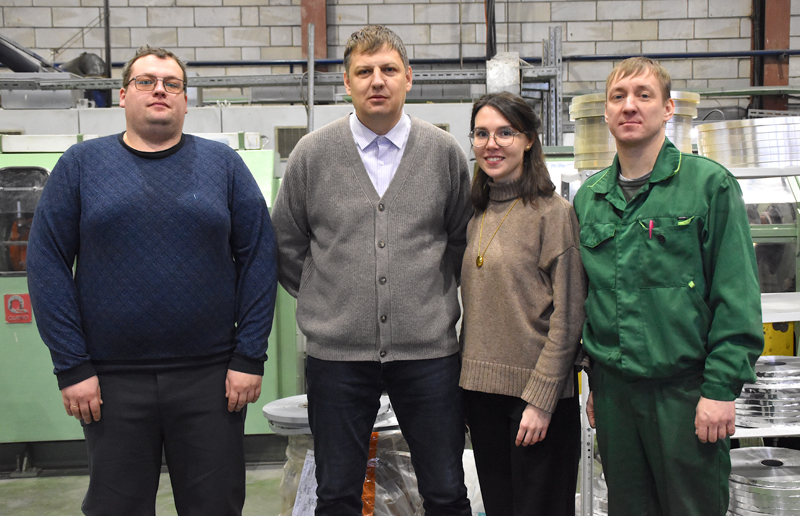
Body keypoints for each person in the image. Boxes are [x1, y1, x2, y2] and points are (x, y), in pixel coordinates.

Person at [26, 46, 277, 516]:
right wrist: (72, 366)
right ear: (123, 95)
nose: (160, 90)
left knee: (215, 506)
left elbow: (259, 258)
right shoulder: (81, 165)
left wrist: (249, 355)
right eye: (146, 81)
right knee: (114, 508)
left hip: (212, 379)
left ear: (185, 100)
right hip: (110, 383)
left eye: (171, 83)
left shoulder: (223, 165)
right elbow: (47, 263)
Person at [271, 25, 473, 516]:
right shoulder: (312, 155)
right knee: (336, 495)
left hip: (428, 355)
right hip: (337, 358)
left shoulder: (444, 153)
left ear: (409, 78)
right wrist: (330, 298)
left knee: (446, 492)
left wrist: (425, 300)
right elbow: (286, 243)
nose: (376, 81)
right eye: (364, 71)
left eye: (388, 69)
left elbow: (461, 242)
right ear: (346, 82)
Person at [573, 57, 763, 516]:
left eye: (644, 95)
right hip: (616, 398)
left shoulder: (709, 186)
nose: (629, 106)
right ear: (606, 113)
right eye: (618, 97)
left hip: (686, 395)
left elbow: (736, 296)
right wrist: (597, 384)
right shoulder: (590, 199)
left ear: (668, 108)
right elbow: (591, 302)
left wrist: (721, 389)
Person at [458, 92, 586, 516]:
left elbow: (569, 316)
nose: (491, 144)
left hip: (537, 402)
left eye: (505, 133)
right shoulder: (477, 214)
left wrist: (541, 400)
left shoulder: (553, 214)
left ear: (529, 139)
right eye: (481, 134)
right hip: (483, 400)